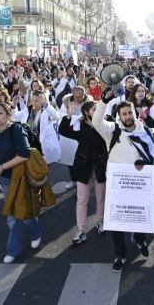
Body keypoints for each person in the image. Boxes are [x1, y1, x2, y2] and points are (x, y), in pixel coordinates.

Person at [94, 90, 154, 273]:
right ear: (119, 116)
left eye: (130, 113)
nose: (128, 116)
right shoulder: (112, 132)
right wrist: (104, 101)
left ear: (134, 113)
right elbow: (97, 122)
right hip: (118, 187)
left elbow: (151, 153)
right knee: (117, 222)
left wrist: (143, 162)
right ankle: (120, 254)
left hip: (139, 186)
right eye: (124, 114)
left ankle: (139, 240)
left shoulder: (143, 131)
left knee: (138, 217)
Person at [0, 102, 42, 264]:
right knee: (13, 215)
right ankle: (14, 249)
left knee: (24, 212)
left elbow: (24, 154)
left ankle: (35, 233)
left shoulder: (16, 130)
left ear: (9, 115)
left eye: (0, 113)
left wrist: (1, 167)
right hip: (5, 179)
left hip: (21, 176)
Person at [59, 101, 107, 244]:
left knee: (101, 199)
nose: (97, 112)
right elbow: (63, 131)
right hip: (83, 167)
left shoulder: (104, 125)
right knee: (82, 200)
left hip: (100, 167)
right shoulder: (79, 126)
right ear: (86, 112)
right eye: (94, 109)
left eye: (98, 109)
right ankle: (81, 230)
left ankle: (100, 222)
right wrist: (68, 116)